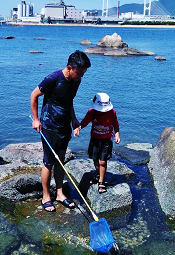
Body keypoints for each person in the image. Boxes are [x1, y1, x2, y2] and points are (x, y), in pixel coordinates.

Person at [30, 50, 91, 213]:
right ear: (70, 67)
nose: (81, 76)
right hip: (49, 125)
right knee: (48, 162)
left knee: (60, 161)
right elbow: (34, 95)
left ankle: (59, 194)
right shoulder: (53, 78)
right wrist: (36, 120)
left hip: (64, 126)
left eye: (84, 73)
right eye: (79, 72)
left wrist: (74, 120)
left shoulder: (76, 80)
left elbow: (68, 101)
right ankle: (45, 196)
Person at [74, 93, 120, 194]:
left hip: (106, 140)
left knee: (102, 161)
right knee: (96, 160)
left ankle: (101, 182)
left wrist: (117, 135)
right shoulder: (92, 112)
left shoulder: (112, 113)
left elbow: (116, 124)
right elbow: (85, 122)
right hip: (95, 140)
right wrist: (78, 128)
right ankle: (99, 175)